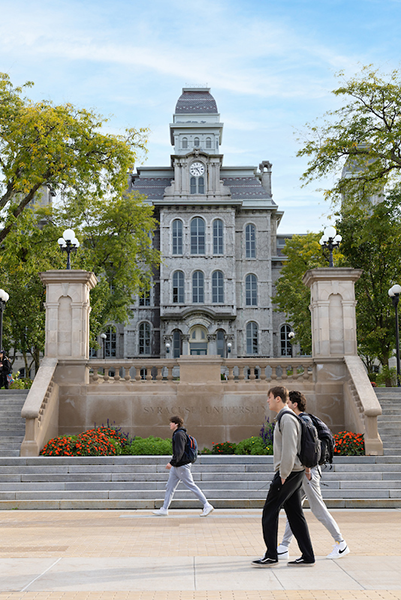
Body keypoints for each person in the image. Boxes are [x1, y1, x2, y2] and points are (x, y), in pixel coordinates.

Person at [277, 390, 350, 560]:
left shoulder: (303, 420)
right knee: (294, 508)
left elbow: (308, 448)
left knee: (318, 508)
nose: (285, 406)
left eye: (288, 402)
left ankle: (341, 543)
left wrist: (308, 470)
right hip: (305, 471)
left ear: (294, 404)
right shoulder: (302, 419)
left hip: (308, 471)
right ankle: (283, 546)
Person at [252, 386, 315, 567]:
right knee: (295, 514)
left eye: (269, 397)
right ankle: (308, 555)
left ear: (278, 399)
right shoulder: (285, 418)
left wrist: (283, 474)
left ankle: (271, 555)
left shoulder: (287, 419)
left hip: (289, 473)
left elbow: (289, 449)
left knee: (269, 512)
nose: (268, 401)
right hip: (294, 472)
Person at [153, 415, 214, 517]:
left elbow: (179, 451)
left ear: (176, 424)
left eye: (171, 422)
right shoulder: (178, 433)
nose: (170, 424)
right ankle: (164, 509)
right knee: (170, 487)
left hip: (181, 466)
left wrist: (172, 462)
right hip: (177, 466)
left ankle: (207, 505)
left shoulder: (179, 434)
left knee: (191, 485)